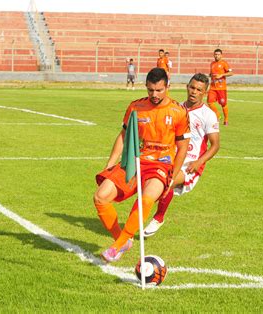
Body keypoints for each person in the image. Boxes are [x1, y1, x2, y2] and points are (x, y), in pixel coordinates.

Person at [93, 67, 191, 263]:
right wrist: (110, 165)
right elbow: (123, 136)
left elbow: (183, 147)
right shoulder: (136, 107)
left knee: (147, 199)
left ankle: (117, 246)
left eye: (159, 90)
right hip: (136, 161)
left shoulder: (178, 112)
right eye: (150, 90)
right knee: (100, 197)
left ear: (167, 87)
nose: (154, 95)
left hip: (161, 166)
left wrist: (173, 173)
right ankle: (122, 241)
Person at [144, 73, 220, 237]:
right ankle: (137, 219)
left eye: (198, 89)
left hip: (189, 165)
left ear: (204, 92)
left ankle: (158, 217)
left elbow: (215, 145)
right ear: (187, 87)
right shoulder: (177, 109)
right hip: (171, 158)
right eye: (192, 87)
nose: (194, 91)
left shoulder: (208, 115)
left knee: (167, 182)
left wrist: (199, 162)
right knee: (149, 186)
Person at [208, 48, 233, 126]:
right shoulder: (212, 63)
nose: (217, 56)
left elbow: (231, 73)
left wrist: (222, 75)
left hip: (221, 88)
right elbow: (211, 73)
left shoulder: (224, 63)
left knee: (223, 104)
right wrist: (210, 75)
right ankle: (218, 115)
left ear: (221, 55)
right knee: (209, 102)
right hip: (212, 87)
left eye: (218, 54)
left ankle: (226, 120)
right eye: (215, 54)